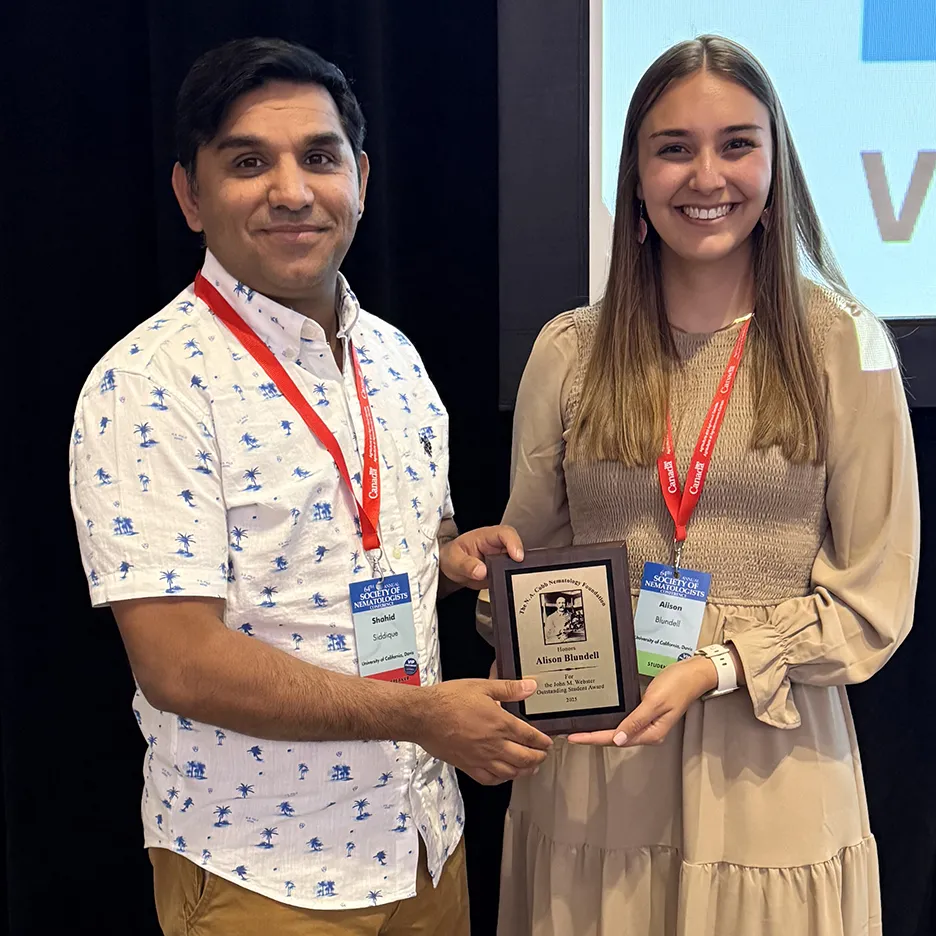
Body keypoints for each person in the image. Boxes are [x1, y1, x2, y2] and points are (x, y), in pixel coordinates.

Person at [69, 37, 552, 936]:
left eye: (319, 157)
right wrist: (420, 716)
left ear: (360, 178)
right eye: (249, 161)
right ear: (189, 194)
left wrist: (447, 558)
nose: (292, 191)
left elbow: (386, 536)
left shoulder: (395, 360)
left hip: (422, 843)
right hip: (263, 869)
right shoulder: (148, 384)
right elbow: (178, 662)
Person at [478, 34, 918, 936]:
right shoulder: (568, 352)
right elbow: (526, 563)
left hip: (772, 753)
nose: (705, 175)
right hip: (601, 758)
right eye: (673, 147)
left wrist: (716, 665)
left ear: (776, 164)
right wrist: (513, 628)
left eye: (736, 144)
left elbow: (875, 598)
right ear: (635, 175)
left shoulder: (847, 346)